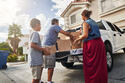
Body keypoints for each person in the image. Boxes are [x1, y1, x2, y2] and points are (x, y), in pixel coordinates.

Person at [74, 10, 108, 83]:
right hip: (99, 43)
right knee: (99, 65)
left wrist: (78, 39)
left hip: (91, 44)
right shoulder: (94, 22)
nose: (82, 17)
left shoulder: (85, 23)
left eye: (82, 16)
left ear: (83, 16)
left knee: (92, 66)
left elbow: (85, 35)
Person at [42, 18, 74, 83]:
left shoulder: (50, 28)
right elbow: (64, 33)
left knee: (42, 65)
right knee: (51, 66)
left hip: (45, 46)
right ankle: (49, 82)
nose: (59, 24)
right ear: (56, 22)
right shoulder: (55, 26)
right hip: (49, 47)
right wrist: (71, 35)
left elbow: (56, 38)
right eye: (58, 23)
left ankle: (38, 80)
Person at [28, 18, 50, 83]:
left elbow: (34, 46)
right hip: (36, 60)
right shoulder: (35, 33)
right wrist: (44, 49)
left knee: (37, 78)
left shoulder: (32, 33)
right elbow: (32, 45)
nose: (41, 27)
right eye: (40, 25)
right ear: (37, 25)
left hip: (36, 60)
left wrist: (42, 50)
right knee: (36, 79)